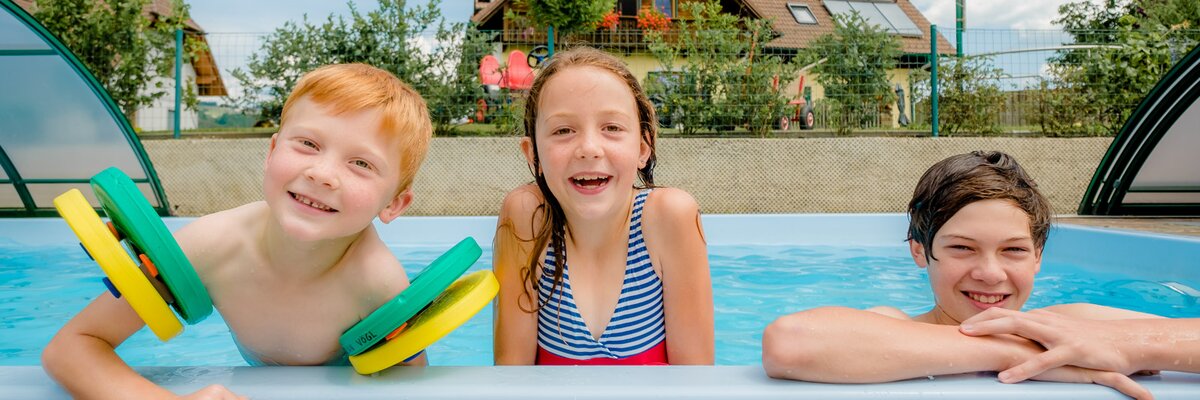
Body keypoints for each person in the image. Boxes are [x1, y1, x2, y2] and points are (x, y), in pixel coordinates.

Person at [42, 63, 432, 399]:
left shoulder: (378, 283)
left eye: (361, 164)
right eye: (309, 144)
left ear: (393, 204)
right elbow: (73, 346)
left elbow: (408, 387)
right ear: (272, 151)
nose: (322, 174)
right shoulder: (210, 245)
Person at [761, 151, 1169, 400]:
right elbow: (788, 343)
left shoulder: (1069, 326)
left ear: (1038, 257)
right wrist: (1011, 352)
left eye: (1013, 250)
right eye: (962, 248)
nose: (990, 274)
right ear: (920, 251)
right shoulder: (893, 326)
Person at [492, 47, 714, 365]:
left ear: (643, 147)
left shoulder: (669, 218)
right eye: (563, 130)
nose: (589, 148)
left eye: (611, 128)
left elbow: (696, 384)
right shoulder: (527, 217)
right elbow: (511, 379)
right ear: (533, 155)